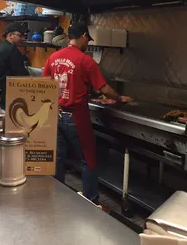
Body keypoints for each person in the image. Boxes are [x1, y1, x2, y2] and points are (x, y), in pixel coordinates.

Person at [42, 22, 132, 204]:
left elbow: (44, 84)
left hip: (55, 113)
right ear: (83, 36)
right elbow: (104, 88)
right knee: (88, 159)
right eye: (88, 40)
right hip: (76, 116)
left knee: (58, 157)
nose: (88, 44)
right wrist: (120, 97)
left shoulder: (53, 58)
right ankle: (91, 200)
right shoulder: (85, 60)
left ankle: (56, 195)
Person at [0, 22, 30, 109]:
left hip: (0, 92)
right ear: (10, 35)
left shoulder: (1, 48)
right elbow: (21, 74)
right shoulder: (12, 50)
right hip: (8, 93)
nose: (23, 38)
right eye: (20, 35)